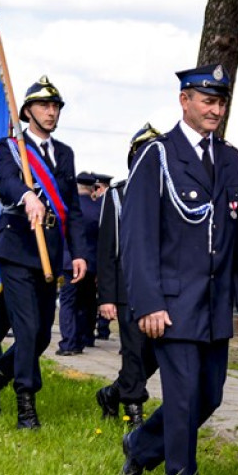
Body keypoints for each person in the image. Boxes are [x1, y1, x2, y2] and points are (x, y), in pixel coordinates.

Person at [119, 65, 238, 475]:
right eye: (207, 101)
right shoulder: (158, 155)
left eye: (220, 102)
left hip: (215, 303)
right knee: (181, 400)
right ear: (184, 101)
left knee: (208, 397)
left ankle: (140, 446)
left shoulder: (231, 158)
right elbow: (137, 238)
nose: (215, 109)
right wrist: (148, 304)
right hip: (172, 303)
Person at [0, 75, 87, 428]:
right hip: (18, 248)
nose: (50, 112)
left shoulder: (64, 153)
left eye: (55, 106)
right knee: (26, 328)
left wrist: (78, 253)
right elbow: (5, 181)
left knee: (39, 336)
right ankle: (26, 404)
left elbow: (73, 208)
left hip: (49, 252)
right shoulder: (10, 147)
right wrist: (27, 196)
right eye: (43, 106)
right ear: (26, 112)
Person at [95, 124, 162, 428]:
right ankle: (133, 407)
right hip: (127, 288)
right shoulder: (117, 195)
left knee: (157, 353)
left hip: (163, 286)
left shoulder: (171, 194)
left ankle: (112, 393)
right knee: (133, 349)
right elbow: (107, 249)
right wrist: (107, 296)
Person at [56, 172, 103, 356]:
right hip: (91, 263)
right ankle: (85, 338)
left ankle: (69, 342)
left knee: (68, 303)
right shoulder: (99, 209)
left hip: (69, 262)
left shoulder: (68, 208)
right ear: (93, 188)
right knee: (87, 302)